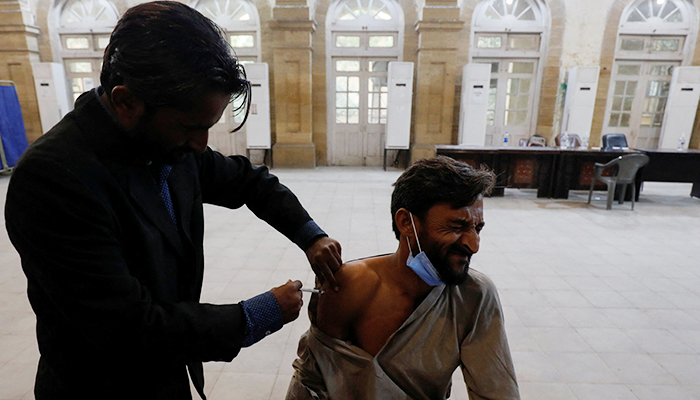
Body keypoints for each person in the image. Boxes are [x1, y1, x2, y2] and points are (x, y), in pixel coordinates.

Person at [4, 2, 342, 399]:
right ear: (127, 101)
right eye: (190, 127)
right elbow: (128, 325)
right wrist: (255, 315)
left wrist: (310, 235)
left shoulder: (167, 146)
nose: (201, 145)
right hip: (99, 383)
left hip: (164, 371)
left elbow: (251, 183)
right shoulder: (54, 179)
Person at [286, 156, 520, 400]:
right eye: (456, 227)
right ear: (406, 223)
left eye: (478, 228)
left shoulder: (474, 296)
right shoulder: (350, 287)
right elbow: (312, 383)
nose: (473, 245)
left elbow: (496, 391)